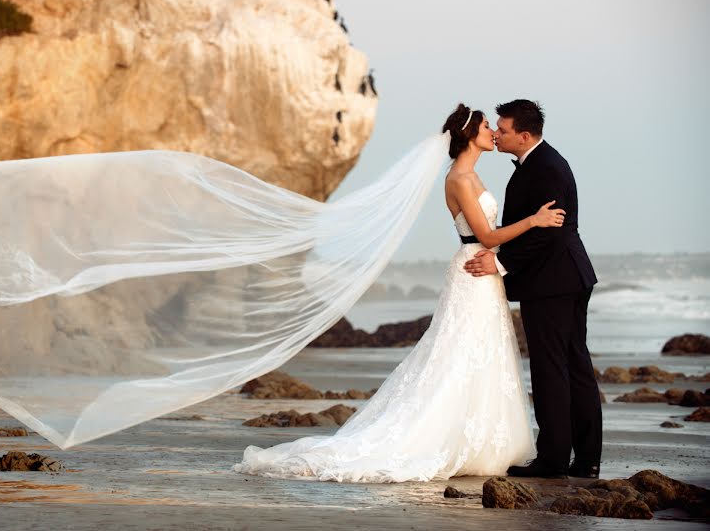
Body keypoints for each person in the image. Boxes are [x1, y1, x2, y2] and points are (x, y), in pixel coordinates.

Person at [231, 104, 565, 482]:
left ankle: (485, 439)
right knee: (459, 352)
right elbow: (487, 236)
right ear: (470, 135)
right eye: (487, 126)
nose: (493, 132)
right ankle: (446, 436)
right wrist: (535, 221)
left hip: (486, 270)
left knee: (484, 352)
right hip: (473, 268)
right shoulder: (457, 178)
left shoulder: (472, 176)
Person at [463, 99, 601, 479]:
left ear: (524, 136)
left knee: (552, 369)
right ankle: (586, 460)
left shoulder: (546, 168)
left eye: (503, 130)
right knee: (574, 366)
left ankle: (554, 460)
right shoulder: (542, 163)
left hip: (553, 280)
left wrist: (501, 262)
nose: (497, 134)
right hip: (565, 277)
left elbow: (549, 234)